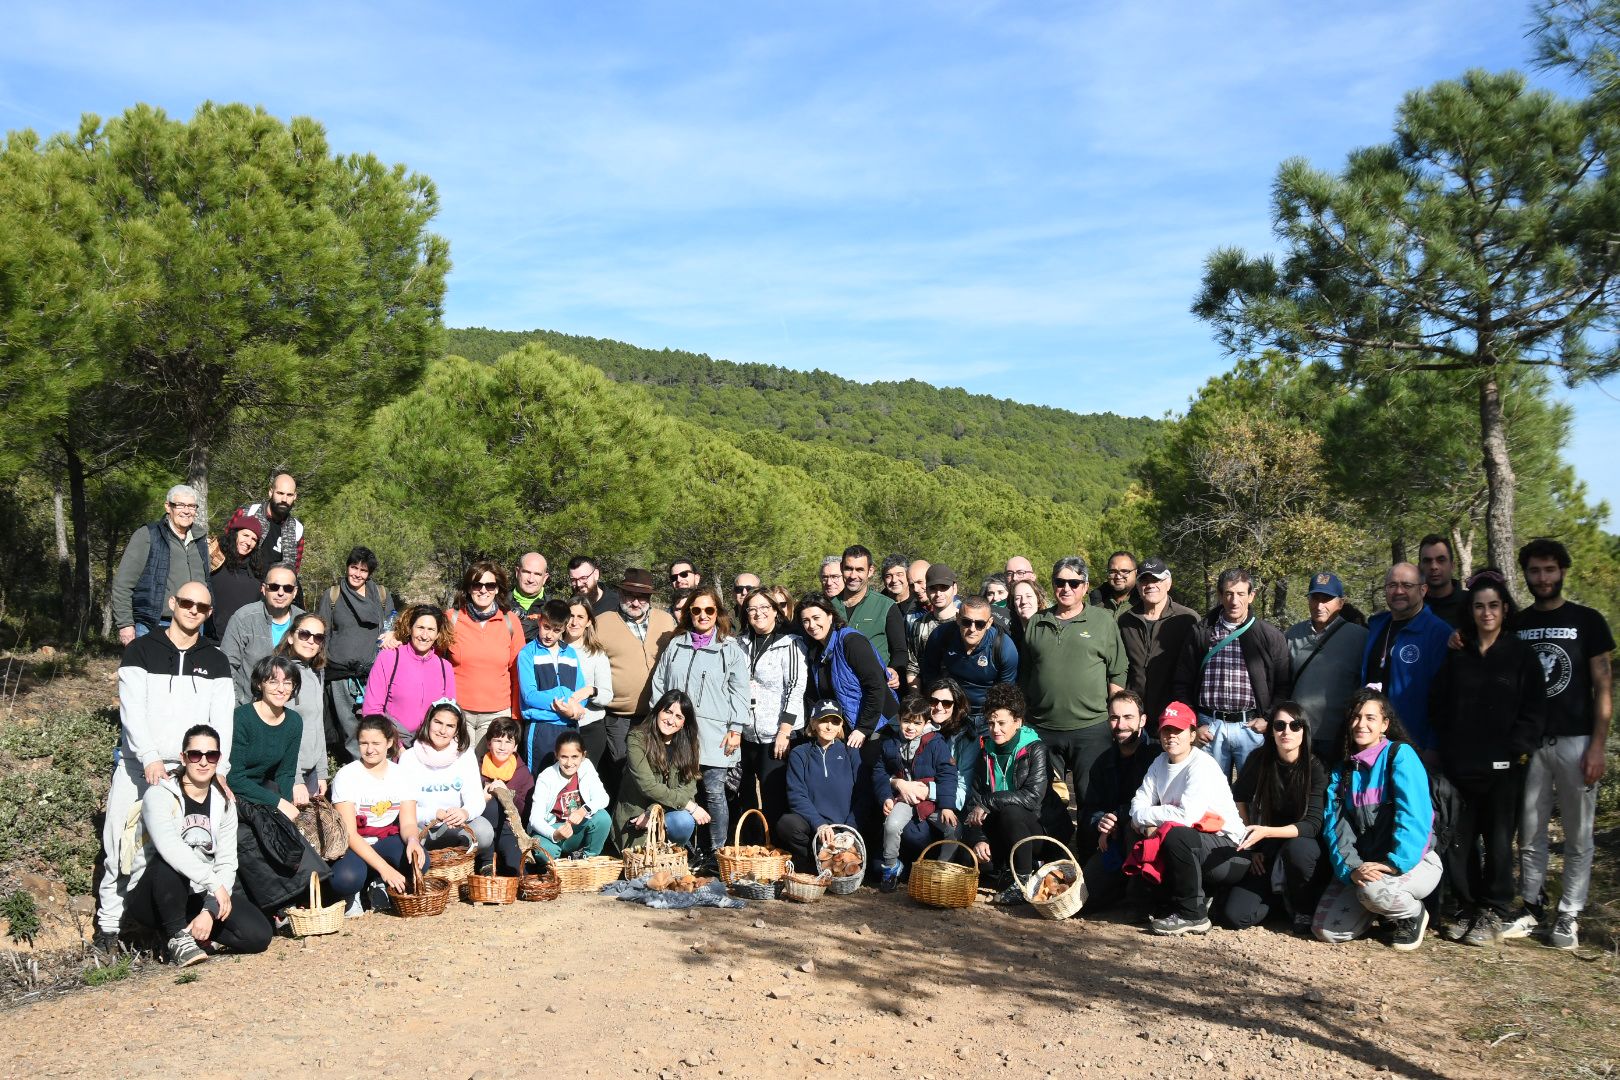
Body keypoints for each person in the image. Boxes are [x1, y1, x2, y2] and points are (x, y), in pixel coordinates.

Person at [96, 581, 234, 950]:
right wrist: (148, 756)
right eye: (186, 602)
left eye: (202, 607)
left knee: (184, 848)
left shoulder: (215, 660)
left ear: (208, 614)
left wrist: (220, 769)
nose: (193, 610)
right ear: (172, 603)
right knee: (120, 846)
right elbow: (132, 711)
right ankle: (109, 928)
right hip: (139, 766)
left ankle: (165, 926)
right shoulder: (141, 650)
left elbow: (222, 721)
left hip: (191, 770)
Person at [1428, 569, 1546, 946]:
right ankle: (1466, 906)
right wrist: (1449, 746)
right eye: (1479, 606)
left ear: (1505, 609)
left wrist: (1514, 748)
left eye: (1493, 605)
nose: (1486, 613)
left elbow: (1534, 710)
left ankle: (1493, 909)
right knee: (1459, 843)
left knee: (1497, 844)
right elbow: (1439, 704)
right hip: (1460, 767)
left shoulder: (1520, 655)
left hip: (1503, 770)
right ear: (1471, 611)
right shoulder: (1458, 654)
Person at [1512, 537, 1614, 950]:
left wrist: (1598, 746)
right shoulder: (1517, 624)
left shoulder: (1588, 621)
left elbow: (1604, 685)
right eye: (1535, 571)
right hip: (1531, 743)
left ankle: (1569, 912)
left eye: (1549, 570)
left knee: (1579, 834)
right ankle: (1532, 905)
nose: (1542, 578)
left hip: (1577, 740)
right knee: (1531, 832)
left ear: (1562, 571)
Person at [126, 725, 272, 966]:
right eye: (196, 755)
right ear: (183, 757)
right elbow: (169, 847)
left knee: (258, 935)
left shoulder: (224, 802)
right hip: (153, 893)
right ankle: (176, 936)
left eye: (211, 755)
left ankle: (195, 934)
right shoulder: (159, 795)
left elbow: (226, 861)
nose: (203, 762)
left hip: (198, 892)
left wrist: (209, 911)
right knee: (172, 862)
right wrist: (215, 885)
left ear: (218, 760)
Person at [1313, 690, 1440, 950]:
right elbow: (1336, 829)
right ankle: (1382, 912)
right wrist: (1351, 870)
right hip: (1367, 867)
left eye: (1371, 717)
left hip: (1414, 861)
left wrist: (1392, 864)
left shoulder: (1400, 755)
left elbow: (1414, 817)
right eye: (1356, 717)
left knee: (1373, 892)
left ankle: (1411, 914)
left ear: (1385, 724)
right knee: (1327, 929)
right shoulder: (1343, 771)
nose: (1362, 724)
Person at [1019, 557, 1127, 816]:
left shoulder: (1103, 621)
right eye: (1060, 582)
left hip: (1091, 728)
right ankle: (1050, 852)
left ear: (1085, 586)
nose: (1066, 588)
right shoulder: (1037, 622)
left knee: (1091, 797)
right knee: (1044, 799)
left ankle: (1092, 854)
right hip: (1042, 728)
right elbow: (1025, 674)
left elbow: (1118, 671)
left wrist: (1115, 718)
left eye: (1074, 583)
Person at [649, 583, 750, 859]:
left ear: (718, 613)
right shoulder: (675, 645)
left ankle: (717, 853)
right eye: (697, 610)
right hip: (677, 733)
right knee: (682, 793)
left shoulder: (729, 650)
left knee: (715, 793)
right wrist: (659, 722)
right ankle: (686, 852)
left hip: (715, 733)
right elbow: (660, 684)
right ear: (689, 613)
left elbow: (741, 693)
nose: (703, 615)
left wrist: (736, 729)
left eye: (709, 609)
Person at [1128, 702, 1247, 936]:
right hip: (1195, 845)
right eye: (1166, 730)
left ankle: (1193, 914)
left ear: (1192, 734)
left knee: (1176, 834)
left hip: (1228, 851)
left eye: (1178, 730)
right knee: (1141, 830)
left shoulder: (1202, 765)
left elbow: (1186, 816)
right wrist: (1145, 824)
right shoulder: (1159, 762)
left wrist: (1149, 820)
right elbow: (1136, 807)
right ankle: (1162, 900)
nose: (1171, 736)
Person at [1170, 567, 1290, 780]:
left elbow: (1283, 684)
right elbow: (1182, 681)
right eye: (1229, 593)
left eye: (1241, 594)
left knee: (1254, 794)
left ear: (1251, 596)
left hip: (1251, 727)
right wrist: (1194, 724)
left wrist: (1269, 719)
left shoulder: (1269, 635)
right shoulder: (1202, 632)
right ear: (1220, 596)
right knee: (1209, 796)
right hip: (1210, 727)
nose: (1235, 600)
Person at [1222, 701, 1329, 931]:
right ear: (1271, 730)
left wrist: (1264, 832)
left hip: (1303, 846)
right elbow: (1237, 797)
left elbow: (1312, 825)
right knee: (1235, 917)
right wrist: (1251, 845)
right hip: (1266, 848)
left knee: (1299, 849)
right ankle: (1279, 902)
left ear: (1305, 730)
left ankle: (1304, 908)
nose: (1286, 731)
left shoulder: (1316, 767)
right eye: (1279, 725)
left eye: (1295, 725)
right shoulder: (1260, 759)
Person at [329, 715, 427, 914]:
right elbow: (349, 834)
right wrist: (385, 868)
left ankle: (378, 883)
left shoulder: (402, 775)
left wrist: (413, 840)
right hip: (355, 843)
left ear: (389, 743)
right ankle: (355, 890)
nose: (369, 749)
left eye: (376, 743)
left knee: (419, 861)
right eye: (364, 743)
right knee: (345, 880)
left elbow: (408, 822)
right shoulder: (347, 775)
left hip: (386, 838)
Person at [594, 569, 679, 796]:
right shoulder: (601, 623)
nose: (635, 601)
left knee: (655, 769)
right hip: (617, 715)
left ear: (649, 598)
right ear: (620, 594)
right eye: (629, 594)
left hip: (656, 714)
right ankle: (621, 823)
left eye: (642, 596)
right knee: (621, 768)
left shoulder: (666, 621)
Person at [964, 683, 1049, 903]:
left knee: (1011, 811)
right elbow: (975, 799)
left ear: (1018, 722)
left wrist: (989, 801)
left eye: (1002, 723)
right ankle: (1013, 870)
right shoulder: (986, 752)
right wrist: (980, 839)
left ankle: (1021, 882)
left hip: (1034, 828)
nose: (995, 729)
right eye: (991, 723)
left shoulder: (1035, 749)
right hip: (999, 828)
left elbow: (1032, 797)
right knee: (970, 857)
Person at [1079, 691, 1160, 910]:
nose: (1120, 725)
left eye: (1128, 717)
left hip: (1148, 840)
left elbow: (1161, 805)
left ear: (1142, 720)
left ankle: (1141, 899)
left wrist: (1119, 816)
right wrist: (1101, 821)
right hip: (1113, 845)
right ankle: (1120, 888)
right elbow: (1090, 809)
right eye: (1114, 718)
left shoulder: (1157, 755)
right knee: (1083, 899)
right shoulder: (1102, 762)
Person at [1359, 562, 1451, 749]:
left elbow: (1446, 697)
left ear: (1423, 590)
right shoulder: (1377, 626)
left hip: (1414, 742)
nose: (1398, 591)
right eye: (1392, 585)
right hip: (1372, 739)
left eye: (1407, 585)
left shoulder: (1438, 633)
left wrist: (1433, 747)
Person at [316, 547, 395, 762]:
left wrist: (393, 633)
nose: (357, 574)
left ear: (369, 573)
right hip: (340, 674)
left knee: (375, 723)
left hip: (375, 673)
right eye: (354, 567)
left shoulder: (381, 595)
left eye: (363, 570)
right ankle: (357, 769)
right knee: (350, 727)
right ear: (347, 567)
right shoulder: (333, 595)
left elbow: (391, 626)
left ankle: (380, 768)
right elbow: (323, 633)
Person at [872, 695, 959, 891]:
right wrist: (886, 795)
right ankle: (891, 867)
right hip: (903, 798)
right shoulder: (891, 743)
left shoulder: (936, 743)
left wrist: (946, 806)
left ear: (926, 723)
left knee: (952, 827)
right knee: (892, 825)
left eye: (917, 723)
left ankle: (943, 870)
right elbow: (880, 771)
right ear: (899, 719)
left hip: (931, 801)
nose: (911, 727)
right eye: (906, 721)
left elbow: (948, 773)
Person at [739, 587, 808, 825]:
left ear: (775, 611)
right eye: (752, 609)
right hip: (746, 734)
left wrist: (784, 731)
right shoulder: (741, 643)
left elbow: (795, 688)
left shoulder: (790, 643)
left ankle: (778, 853)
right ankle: (749, 851)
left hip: (777, 735)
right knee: (743, 797)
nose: (759, 613)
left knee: (774, 799)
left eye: (764, 608)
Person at [111, 484, 212, 645]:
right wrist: (125, 624)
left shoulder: (200, 539)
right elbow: (123, 583)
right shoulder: (148, 535)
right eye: (180, 505)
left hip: (194, 625)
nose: (186, 511)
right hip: (153, 624)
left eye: (192, 506)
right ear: (168, 506)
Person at [1284, 572, 1369, 762]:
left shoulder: (1360, 638)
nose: (1319, 605)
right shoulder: (1293, 634)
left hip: (1339, 735)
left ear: (1341, 602)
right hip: (1298, 733)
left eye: (1327, 599)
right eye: (1315, 598)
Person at [799, 593, 899, 750]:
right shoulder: (816, 651)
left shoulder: (851, 642)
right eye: (806, 620)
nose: (811, 625)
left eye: (816, 618)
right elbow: (813, 695)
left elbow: (876, 686)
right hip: (846, 729)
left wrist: (863, 728)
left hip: (879, 726)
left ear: (830, 615)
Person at [613, 690, 708, 854]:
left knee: (683, 821)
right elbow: (648, 786)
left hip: (666, 813)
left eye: (679, 717)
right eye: (668, 712)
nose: (671, 721)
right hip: (637, 815)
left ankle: (674, 854)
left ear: (685, 722)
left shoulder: (689, 745)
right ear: (658, 710)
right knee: (642, 866)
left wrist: (654, 811)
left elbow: (689, 788)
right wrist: (689, 806)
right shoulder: (637, 738)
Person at [447, 559, 526, 754]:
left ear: (498, 589)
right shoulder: (452, 618)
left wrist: (515, 716)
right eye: (477, 584)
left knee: (489, 771)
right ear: (468, 587)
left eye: (490, 585)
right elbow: (434, 660)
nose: (483, 590)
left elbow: (517, 673)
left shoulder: (510, 621)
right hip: (458, 712)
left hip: (497, 714)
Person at [777, 701, 865, 873]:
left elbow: (863, 794)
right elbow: (796, 795)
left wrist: (851, 829)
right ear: (813, 723)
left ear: (841, 725)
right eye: (824, 720)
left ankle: (838, 863)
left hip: (845, 829)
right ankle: (814, 862)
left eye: (835, 721)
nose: (829, 726)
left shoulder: (851, 753)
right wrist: (819, 824)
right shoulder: (800, 753)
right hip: (814, 826)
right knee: (786, 824)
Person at [399, 700, 493, 857]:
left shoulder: (466, 755)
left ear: (457, 730)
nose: (442, 730)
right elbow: (404, 810)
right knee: (408, 839)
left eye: (450, 726)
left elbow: (476, 799)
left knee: (484, 832)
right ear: (429, 722)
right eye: (438, 722)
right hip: (422, 827)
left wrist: (465, 812)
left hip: (455, 827)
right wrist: (434, 813)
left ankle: (457, 862)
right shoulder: (409, 757)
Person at [1117, 558, 1198, 732]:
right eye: (1144, 580)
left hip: (1174, 716)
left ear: (1168, 583)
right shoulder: (1125, 621)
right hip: (1134, 718)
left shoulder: (1188, 619)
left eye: (1156, 580)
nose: (1150, 585)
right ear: (1138, 586)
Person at [362, 605, 456, 747]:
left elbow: (449, 714)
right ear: (410, 628)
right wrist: (397, 746)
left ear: (438, 634)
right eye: (420, 628)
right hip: (392, 744)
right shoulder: (389, 658)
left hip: (429, 747)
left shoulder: (445, 667)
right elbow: (372, 710)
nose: (424, 635)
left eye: (431, 630)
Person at [516, 598, 584, 773]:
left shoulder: (570, 654)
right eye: (546, 627)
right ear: (540, 621)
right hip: (541, 728)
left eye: (556, 630)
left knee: (567, 781)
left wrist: (574, 709)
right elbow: (529, 695)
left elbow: (580, 693)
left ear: (564, 628)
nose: (549, 635)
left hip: (569, 727)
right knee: (538, 779)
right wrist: (563, 697)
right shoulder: (527, 653)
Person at [920, 595, 1019, 715]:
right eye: (966, 622)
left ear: (989, 623)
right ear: (957, 618)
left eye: (980, 624)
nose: (972, 629)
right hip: (950, 709)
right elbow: (930, 673)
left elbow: (1005, 693)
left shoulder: (1004, 648)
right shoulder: (941, 635)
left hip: (986, 714)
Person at [220, 564, 305, 704]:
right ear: (264, 588)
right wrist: (236, 705)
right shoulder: (243, 618)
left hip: (291, 712)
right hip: (249, 708)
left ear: (295, 592)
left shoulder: (304, 622)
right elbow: (226, 666)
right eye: (274, 587)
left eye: (288, 588)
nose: (281, 592)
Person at [274, 612, 331, 801]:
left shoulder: (317, 673)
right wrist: (295, 778)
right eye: (305, 634)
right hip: (287, 774)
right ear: (291, 637)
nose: (311, 641)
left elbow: (317, 724)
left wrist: (322, 772)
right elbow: (277, 729)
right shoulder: (280, 673)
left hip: (312, 773)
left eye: (318, 637)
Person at [529, 730, 612, 860]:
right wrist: (554, 834)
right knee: (543, 850)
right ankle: (556, 871)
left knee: (603, 818)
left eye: (574, 756)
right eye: (564, 757)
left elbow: (602, 798)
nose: (569, 763)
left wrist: (583, 810)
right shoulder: (546, 777)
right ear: (556, 755)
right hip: (555, 828)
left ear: (583, 756)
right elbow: (535, 819)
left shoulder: (586, 767)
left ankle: (588, 859)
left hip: (577, 828)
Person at [834, 544, 908, 685]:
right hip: (839, 688)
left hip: (875, 688)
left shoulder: (886, 606)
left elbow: (900, 650)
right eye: (848, 568)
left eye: (860, 570)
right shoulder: (828, 606)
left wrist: (894, 670)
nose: (853, 575)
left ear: (870, 571)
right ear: (841, 568)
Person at [561, 595, 615, 767]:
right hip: (558, 726)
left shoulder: (596, 654)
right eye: (570, 616)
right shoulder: (553, 648)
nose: (574, 622)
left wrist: (590, 690)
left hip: (589, 729)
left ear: (589, 622)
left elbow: (606, 695)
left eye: (580, 617)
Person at [479, 717, 537, 873]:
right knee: (491, 805)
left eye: (508, 742)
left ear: (515, 746)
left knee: (518, 870)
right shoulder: (476, 768)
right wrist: (482, 799)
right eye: (498, 741)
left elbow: (526, 812)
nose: (502, 747)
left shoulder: (523, 773)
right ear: (488, 743)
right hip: (483, 831)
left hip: (509, 831)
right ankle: (487, 862)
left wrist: (509, 795)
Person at [927, 678, 980, 836]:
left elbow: (963, 789)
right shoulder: (915, 725)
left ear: (957, 706)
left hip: (949, 802)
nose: (939, 707)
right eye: (934, 701)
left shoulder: (967, 737)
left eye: (946, 703)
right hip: (913, 797)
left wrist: (928, 791)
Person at [205, 512, 263, 642]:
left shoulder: (256, 572)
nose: (248, 542)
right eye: (245, 535)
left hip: (241, 641)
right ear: (235, 534)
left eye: (254, 539)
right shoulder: (215, 559)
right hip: (210, 636)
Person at [235, 471, 305, 576]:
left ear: (295, 496)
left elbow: (294, 569)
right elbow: (225, 546)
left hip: (273, 589)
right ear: (271, 492)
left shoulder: (297, 529)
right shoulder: (247, 513)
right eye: (280, 493)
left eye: (289, 495)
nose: (284, 499)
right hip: (239, 579)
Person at [905, 565, 960, 689]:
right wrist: (916, 698)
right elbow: (914, 666)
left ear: (955, 588)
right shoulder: (919, 624)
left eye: (944, 588)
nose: (938, 594)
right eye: (933, 589)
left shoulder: (968, 622)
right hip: (929, 695)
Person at [1418, 534, 1466, 629]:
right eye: (1427, 561)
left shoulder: (1471, 603)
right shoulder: (1413, 607)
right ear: (1419, 567)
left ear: (1452, 565)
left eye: (1441, 560)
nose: (1434, 567)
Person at [511, 552, 551, 642]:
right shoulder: (498, 603)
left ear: (545, 578)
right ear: (517, 572)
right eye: (526, 572)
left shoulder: (555, 608)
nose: (531, 579)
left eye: (537, 574)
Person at [1090, 551, 1138, 618]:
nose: (1118, 577)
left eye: (1124, 571)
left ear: (1136, 572)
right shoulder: (1095, 602)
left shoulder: (1145, 602)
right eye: (1113, 572)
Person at [1007, 578, 1047, 655]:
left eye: (1028, 596)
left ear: (1038, 600)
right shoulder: (1008, 636)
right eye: (1018, 598)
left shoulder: (1050, 632)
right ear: (1013, 605)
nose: (1023, 601)